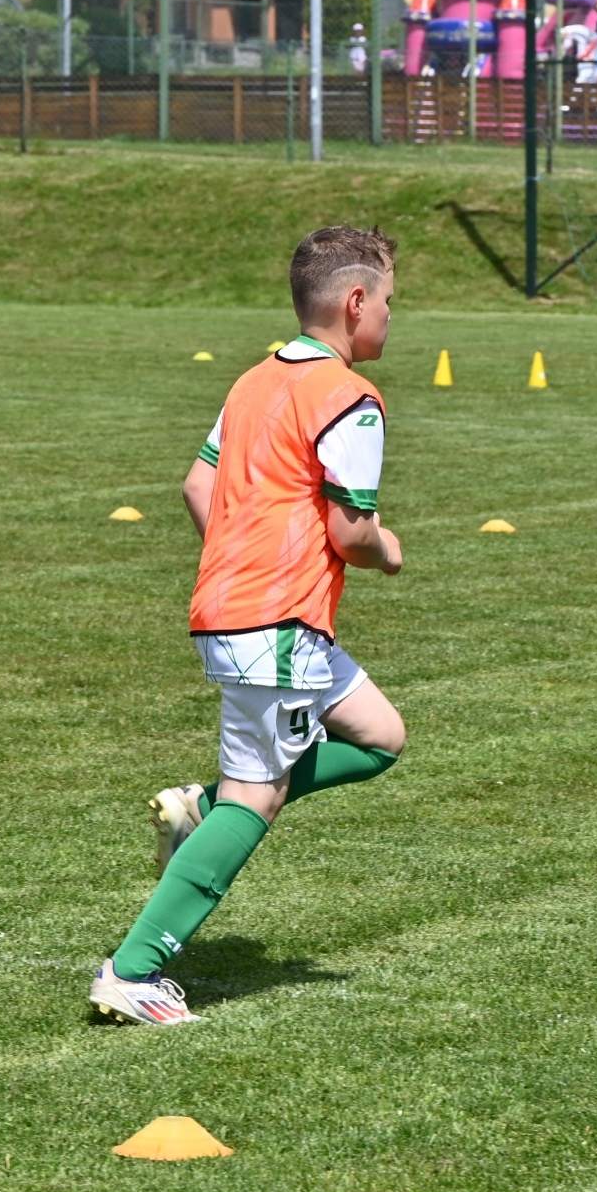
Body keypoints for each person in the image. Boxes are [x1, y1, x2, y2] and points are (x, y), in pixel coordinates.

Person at [88, 226, 408, 1025]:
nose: (390, 318)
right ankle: (133, 971)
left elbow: (198, 487)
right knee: (256, 798)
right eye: (389, 303)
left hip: (248, 613)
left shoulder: (253, 381)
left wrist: (242, 558)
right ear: (356, 301)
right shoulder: (350, 398)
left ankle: (200, 808)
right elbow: (351, 533)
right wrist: (389, 551)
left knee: (379, 737)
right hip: (277, 620)